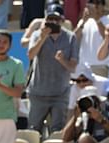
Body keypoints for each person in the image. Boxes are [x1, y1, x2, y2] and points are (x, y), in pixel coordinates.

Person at [27, 3, 78, 134]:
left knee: (58, 131)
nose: (53, 22)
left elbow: (72, 67)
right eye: (50, 19)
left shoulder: (71, 37)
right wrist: (42, 38)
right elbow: (31, 55)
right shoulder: (37, 35)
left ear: (62, 21)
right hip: (38, 92)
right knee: (33, 130)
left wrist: (62, 60)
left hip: (60, 93)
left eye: (56, 19)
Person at [73, 0, 109, 78]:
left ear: (103, 6)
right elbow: (73, 39)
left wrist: (97, 20)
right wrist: (83, 21)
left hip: (101, 66)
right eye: (92, 3)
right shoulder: (83, 21)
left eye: (97, 3)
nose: (95, 6)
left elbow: (108, 38)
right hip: (84, 67)